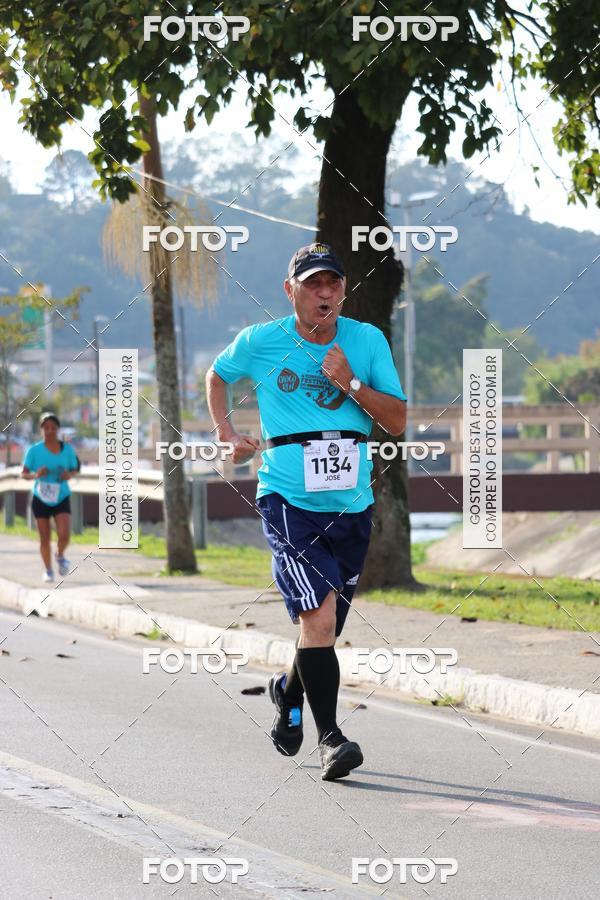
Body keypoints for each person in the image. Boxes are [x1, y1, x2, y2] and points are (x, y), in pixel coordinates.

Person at [206, 243, 407, 780]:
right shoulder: (261, 341)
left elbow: (398, 421)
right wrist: (226, 431)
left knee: (321, 633)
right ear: (289, 289)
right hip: (288, 499)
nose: (325, 293)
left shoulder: (366, 340)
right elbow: (217, 375)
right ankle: (332, 739)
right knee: (317, 619)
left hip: (351, 505)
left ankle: (287, 698)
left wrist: (352, 384)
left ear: (343, 290)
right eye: (313, 284)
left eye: (333, 284)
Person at [21, 412, 80, 583]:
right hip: (41, 497)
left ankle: (60, 555)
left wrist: (68, 475)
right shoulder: (34, 451)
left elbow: (74, 469)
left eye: (53, 428)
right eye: (46, 428)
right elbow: (24, 474)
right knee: (44, 537)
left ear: (58, 429)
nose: (50, 431)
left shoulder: (67, 450)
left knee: (64, 534)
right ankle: (48, 570)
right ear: (41, 430)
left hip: (61, 496)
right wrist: (36, 474)